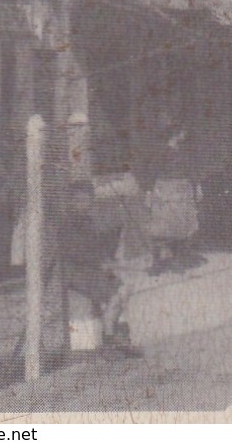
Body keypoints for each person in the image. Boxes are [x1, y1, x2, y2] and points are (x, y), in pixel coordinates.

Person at [57, 180, 134, 356]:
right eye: (77, 201)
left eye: (85, 201)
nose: (82, 205)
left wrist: (106, 258)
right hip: (75, 274)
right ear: (70, 202)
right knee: (117, 293)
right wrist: (99, 263)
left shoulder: (88, 221)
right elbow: (75, 254)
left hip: (90, 271)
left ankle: (116, 337)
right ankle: (109, 340)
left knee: (123, 289)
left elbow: (95, 248)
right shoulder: (68, 225)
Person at [141, 115, 199, 274]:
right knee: (161, 227)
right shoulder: (162, 153)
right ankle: (157, 262)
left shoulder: (181, 152)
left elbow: (189, 171)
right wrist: (149, 192)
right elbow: (152, 173)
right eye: (182, 132)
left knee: (181, 226)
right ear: (176, 133)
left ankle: (176, 260)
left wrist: (196, 187)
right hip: (165, 191)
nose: (184, 135)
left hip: (181, 190)